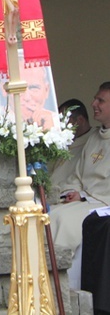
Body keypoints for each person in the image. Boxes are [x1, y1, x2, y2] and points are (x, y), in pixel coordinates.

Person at [50, 82, 110, 289]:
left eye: (100, 100)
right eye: (96, 99)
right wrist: (72, 192)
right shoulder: (94, 136)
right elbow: (77, 174)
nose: (93, 103)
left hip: (102, 203)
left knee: (62, 219)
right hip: (86, 199)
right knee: (49, 214)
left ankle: (64, 286)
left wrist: (85, 196)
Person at [51, 99, 94, 190]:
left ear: (80, 120)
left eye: (63, 120)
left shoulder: (94, 141)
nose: (59, 126)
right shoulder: (62, 142)